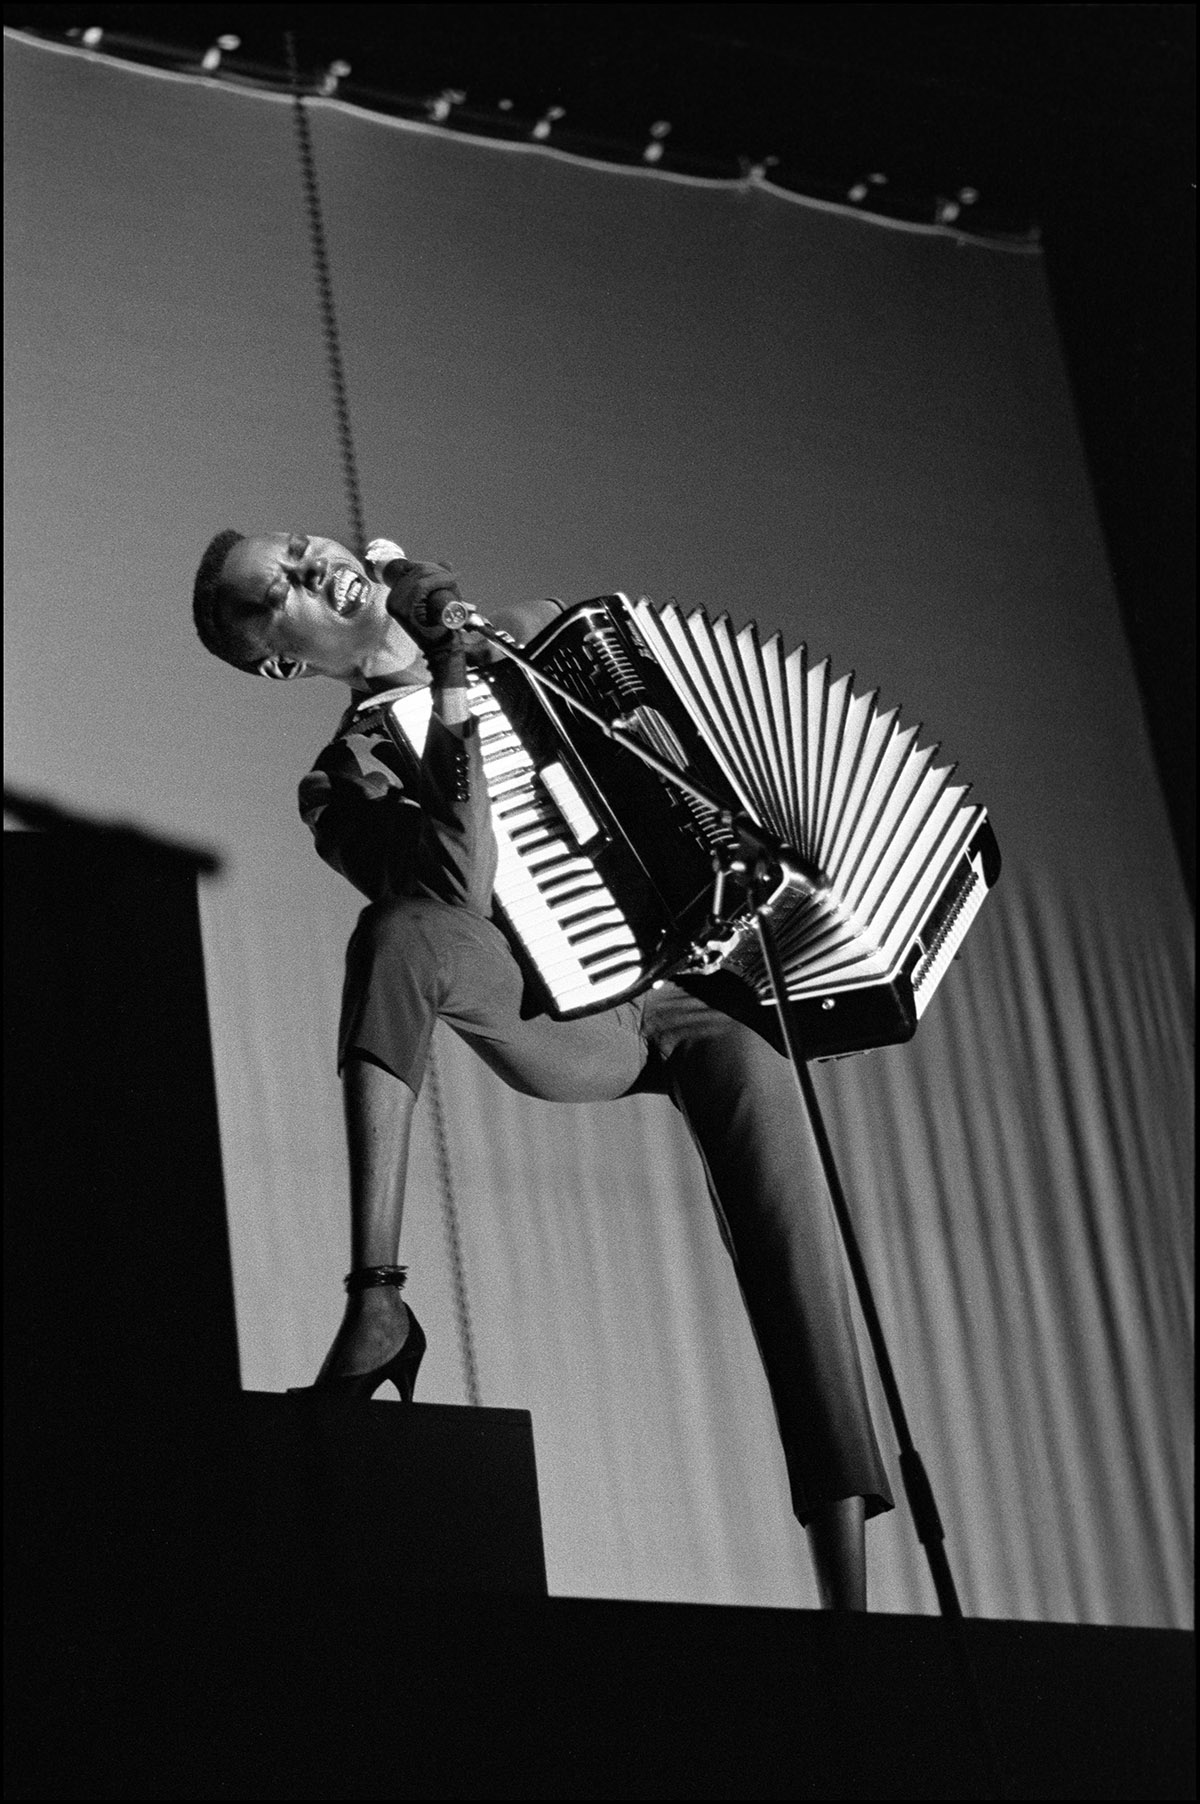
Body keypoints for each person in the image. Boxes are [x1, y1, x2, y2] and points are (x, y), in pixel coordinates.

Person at [191, 526, 894, 1608]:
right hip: (564, 1016)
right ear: (281, 662)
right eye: (278, 586)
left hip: (700, 987)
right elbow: (457, 888)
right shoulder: (343, 782)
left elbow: (696, 754)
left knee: (788, 1219)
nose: (309, 562)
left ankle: (851, 1598)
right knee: (398, 936)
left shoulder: (533, 638)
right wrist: (448, 687)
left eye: (298, 542)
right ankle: (377, 1300)